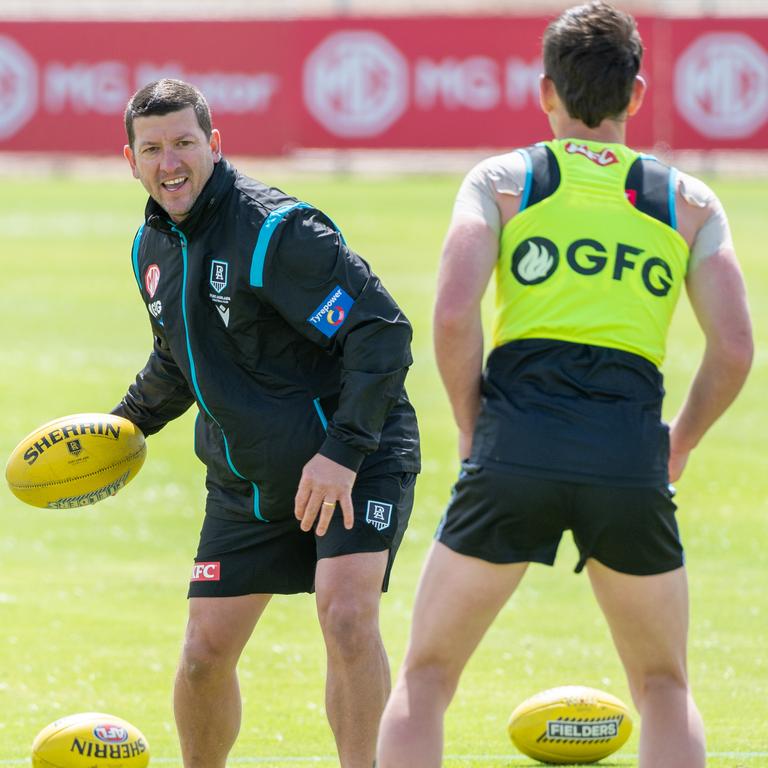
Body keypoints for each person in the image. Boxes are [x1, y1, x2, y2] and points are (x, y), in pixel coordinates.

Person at [376, 3, 752, 767]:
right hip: (629, 455)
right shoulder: (689, 201)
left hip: (516, 442)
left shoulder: (506, 180)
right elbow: (737, 347)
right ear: (637, 94)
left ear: (546, 92)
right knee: (663, 687)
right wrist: (678, 442)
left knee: (426, 675)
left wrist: (472, 421)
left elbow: (453, 315)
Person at [113, 78, 420, 768]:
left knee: (345, 618)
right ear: (129, 160)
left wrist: (342, 450)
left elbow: (380, 332)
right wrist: (122, 428)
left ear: (215, 146)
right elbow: (179, 358)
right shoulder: (151, 249)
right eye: (153, 148)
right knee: (202, 658)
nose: (171, 163)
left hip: (352, 458)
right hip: (246, 478)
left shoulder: (276, 232)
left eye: (185, 143)